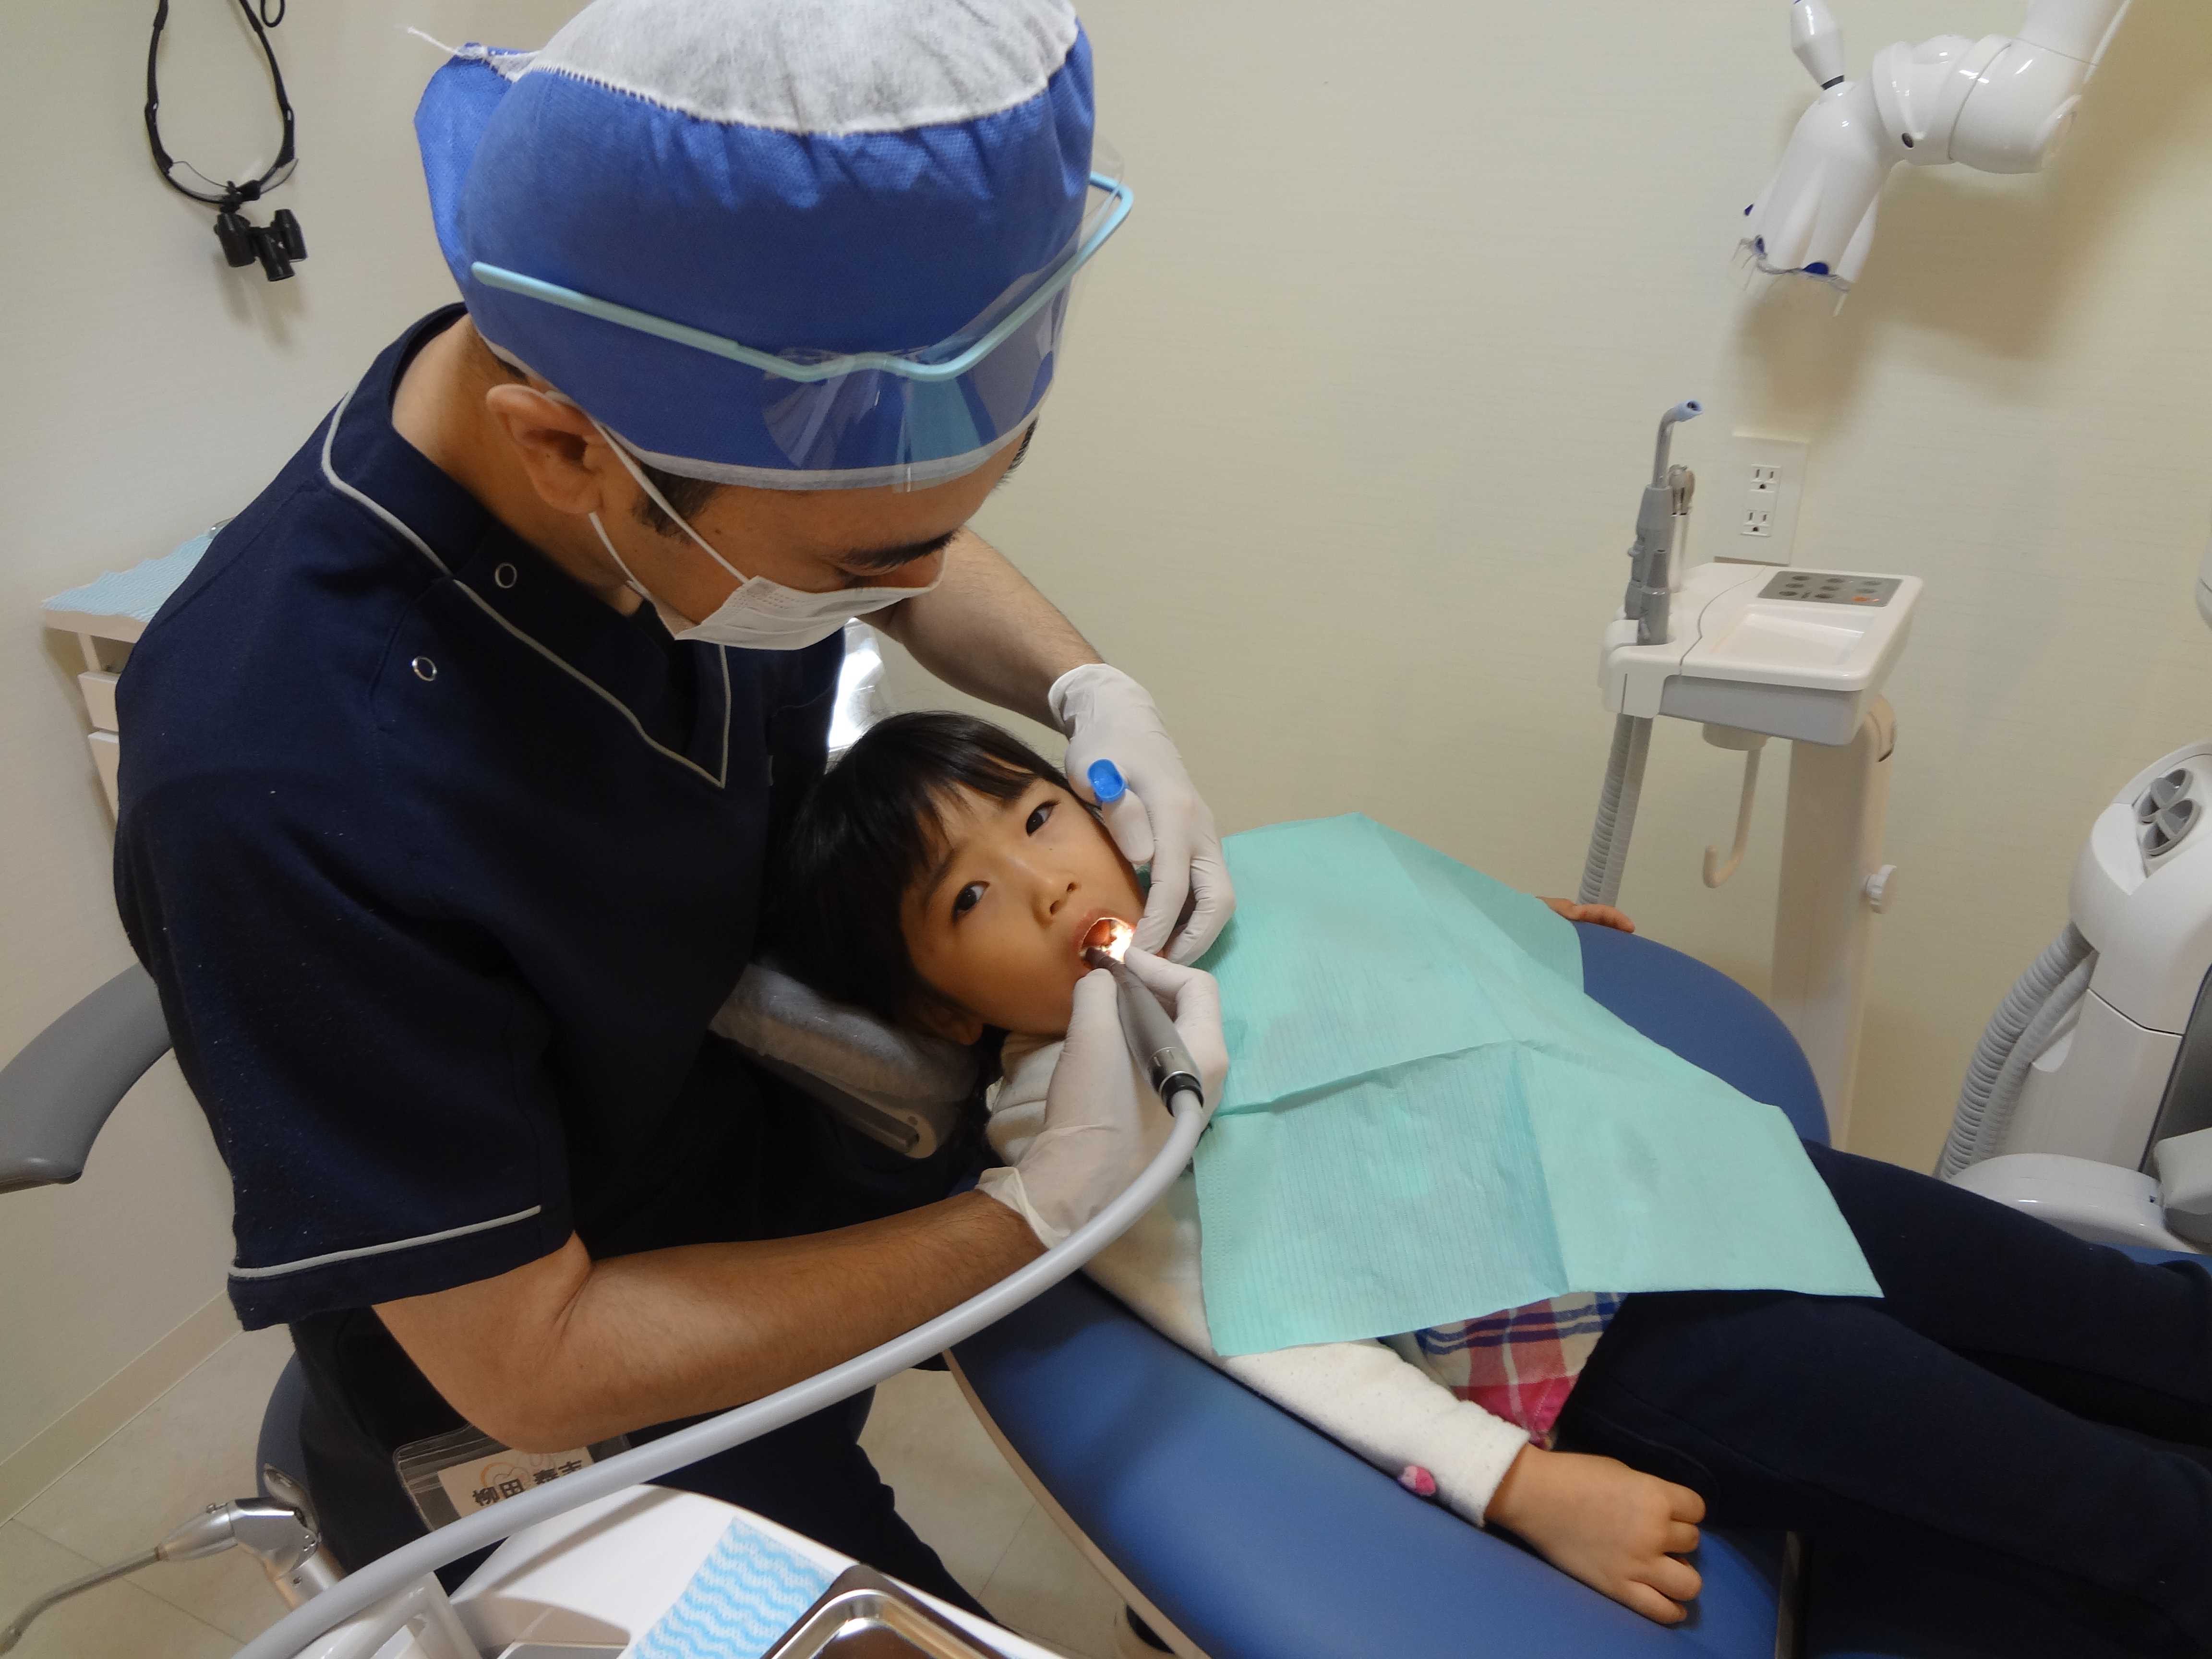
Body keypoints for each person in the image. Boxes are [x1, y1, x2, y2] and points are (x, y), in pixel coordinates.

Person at [111, 0, 1229, 1603]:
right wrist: (1035, 1215)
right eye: (866, 567)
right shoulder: (282, 780)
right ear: (564, 453)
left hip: (753, 1196)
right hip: (561, 1435)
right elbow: (533, 1362)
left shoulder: (655, 406)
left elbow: (890, 531)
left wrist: (1089, 691)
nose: (911, 588)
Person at [773, 711, 2212, 1658]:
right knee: (2108, 1509)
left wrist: (1515, 921)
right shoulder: (1072, 1128)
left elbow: (1397, 942)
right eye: (968, 899)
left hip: (1693, 1164)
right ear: (943, 1007)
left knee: (2114, 1312)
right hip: (1609, 1339)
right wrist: (1516, 1486)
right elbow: (1267, 1332)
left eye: (1037, 818)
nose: (1039, 883)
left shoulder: (1234, 887)